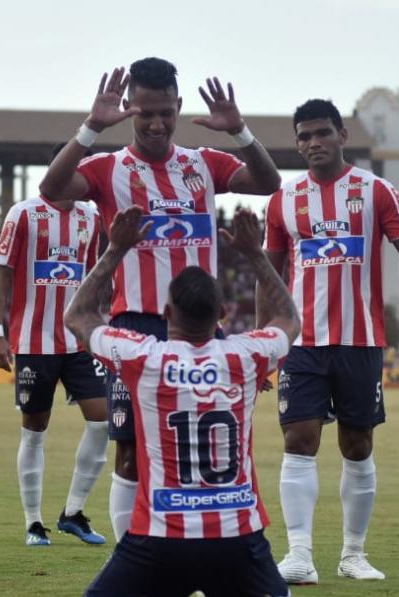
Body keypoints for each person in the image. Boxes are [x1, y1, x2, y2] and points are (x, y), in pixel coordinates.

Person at [39, 57, 282, 542]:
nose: (156, 123)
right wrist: (90, 127)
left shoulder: (201, 164)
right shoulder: (108, 169)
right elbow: (50, 188)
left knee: (193, 445)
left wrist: (240, 133)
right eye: (145, 113)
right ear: (129, 109)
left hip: (199, 330)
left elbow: (268, 183)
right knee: (130, 450)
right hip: (134, 327)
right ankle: (130, 561)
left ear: (179, 107)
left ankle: (195, 546)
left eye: (165, 113)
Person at [65, 206, 302, 597]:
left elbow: (79, 316)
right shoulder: (245, 355)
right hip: (237, 533)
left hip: (163, 533)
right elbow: (290, 321)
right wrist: (255, 256)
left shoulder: (144, 357)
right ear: (223, 313)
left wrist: (115, 249)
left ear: (167, 310)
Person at [263, 98, 399, 584]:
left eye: (321, 133)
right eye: (304, 136)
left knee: (357, 445)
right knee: (299, 440)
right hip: (303, 343)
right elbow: (267, 274)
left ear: (341, 135)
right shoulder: (283, 199)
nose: (312, 143)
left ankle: (353, 554)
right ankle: (299, 555)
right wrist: (263, 339)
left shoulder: (377, 191)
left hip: (360, 340)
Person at [0, 152, 109, 547]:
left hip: (78, 340)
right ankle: (33, 522)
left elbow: (94, 277)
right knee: (35, 432)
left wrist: (100, 324)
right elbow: (2, 274)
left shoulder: (91, 217)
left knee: (103, 421)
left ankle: (73, 512)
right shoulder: (23, 214)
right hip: (33, 342)